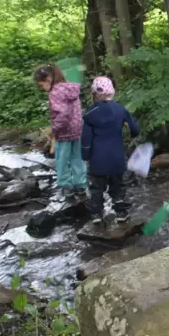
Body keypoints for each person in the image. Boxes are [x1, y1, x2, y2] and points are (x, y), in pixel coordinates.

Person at [81, 76, 140, 223]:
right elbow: (135, 129)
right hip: (117, 156)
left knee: (97, 187)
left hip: (97, 158)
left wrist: (85, 155)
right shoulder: (120, 109)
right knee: (118, 184)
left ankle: (96, 214)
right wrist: (132, 132)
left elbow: (86, 138)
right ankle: (121, 212)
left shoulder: (90, 113)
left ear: (94, 93)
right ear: (112, 92)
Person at [33, 64, 87, 199]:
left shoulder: (55, 92)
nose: (43, 88)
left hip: (63, 132)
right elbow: (73, 110)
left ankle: (66, 186)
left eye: (42, 84)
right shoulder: (70, 87)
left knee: (62, 160)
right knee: (77, 158)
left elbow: (63, 114)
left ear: (49, 78)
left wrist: (53, 129)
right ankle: (81, 185)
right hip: (77, 129)